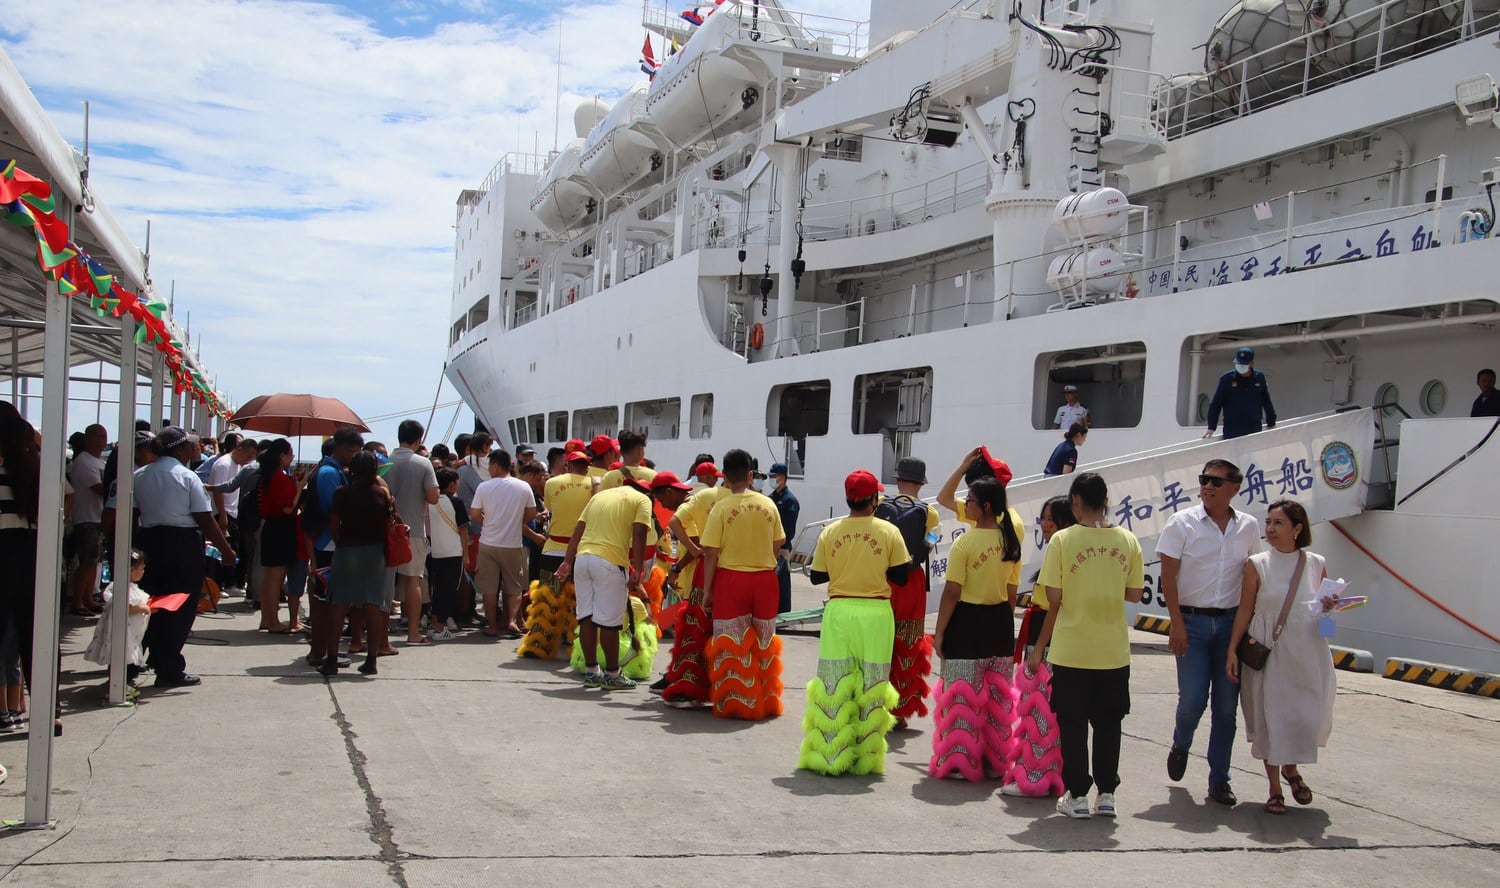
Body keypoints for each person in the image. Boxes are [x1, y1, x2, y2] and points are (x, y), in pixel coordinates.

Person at [1029, 472, 1144, 819]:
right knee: (1109, 722)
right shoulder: (1128, 540)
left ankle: (1077, 795)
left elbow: (1054, 596)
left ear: (1076, 501)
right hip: (1113, 650)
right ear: (1105, 500)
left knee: (1073, 724)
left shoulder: (1063, 540)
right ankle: (1106, 794)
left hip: (1072, 649)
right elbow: (1134, 594)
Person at [1158, 459, 1263, 806]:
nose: (1207, 486)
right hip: (1192, 624)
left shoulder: (1248, 527)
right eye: (1204, 479)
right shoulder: (1181, 523)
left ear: (1235, 488)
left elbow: (1254, 575)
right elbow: (1168, 575)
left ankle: (1219, 779)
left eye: (1216, 481)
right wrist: (1176, 622)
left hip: (1231, 626)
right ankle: (1181, 743)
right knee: (1192, 701)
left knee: (1226, 709)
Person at [1227, 499, 1337, 815]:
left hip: (1307, 652)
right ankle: (1275, 788)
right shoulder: (1257, 564)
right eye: (1268, 522)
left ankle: (1291, 769)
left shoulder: (1315, 563)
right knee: (1270, 716)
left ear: (1297, 528)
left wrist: (1330, 615)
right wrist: (1232, 650)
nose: (1271, 529)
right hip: (1269, 652)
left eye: (1279, 523)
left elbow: (1327, 620)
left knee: (1302, 716)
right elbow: (1245, 610)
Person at [798, 470, 911, 776]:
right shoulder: (889, 531)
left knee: (834, 680)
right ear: (874, 498)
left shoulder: (831, 532)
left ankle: (830, 754)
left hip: (840, 609)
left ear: (848, 498)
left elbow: (818, 575)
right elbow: (902, 576)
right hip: (875, 612)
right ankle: (865, 757)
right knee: (872, 681)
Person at [929, 476, 1022, 781]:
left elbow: (953, 591)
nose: (965, 504)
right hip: (1000, 622)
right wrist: (1002, 621)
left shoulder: (966, 542)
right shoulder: (1010, 542)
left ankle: (960, 761)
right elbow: (1011, 592)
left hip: (967, 622)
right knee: (997, 695)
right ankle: (995, 761)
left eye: (969, 500)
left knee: (962, 693)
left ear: (985, 506)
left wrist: (940, 632)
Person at [134, 428, 235, 688]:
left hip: (148, 542)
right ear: (180, 449)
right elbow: (204, 519)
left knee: (145, 604)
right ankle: (167, 666)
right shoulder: (187, 477)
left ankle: (131, 662)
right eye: (191, 445)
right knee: (178, 607)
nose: (194, 448)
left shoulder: (140, 475)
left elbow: (132, 513)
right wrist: (226, 551)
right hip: (181, 545)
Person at [699, 449, 785, 720]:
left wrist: (708, 591)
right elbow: (778, 543)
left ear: (724, 477)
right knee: (764, 640)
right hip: (765, 579)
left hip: (731, 579)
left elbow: (710, 552)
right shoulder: (768, 504)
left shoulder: (722, 507)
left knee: (731, 642)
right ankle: (766, 700)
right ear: (750, 475)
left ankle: (735, 702)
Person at [554, 463, 653, 690]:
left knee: (586, 618)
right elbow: (639, 533)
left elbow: (578, 530)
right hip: (609, 562)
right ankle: (613, 674)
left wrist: (567, 561)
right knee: (610, 623)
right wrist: (637, 569)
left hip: (583, 560)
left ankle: (592, 672)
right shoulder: (643, 500)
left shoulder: (600, 497)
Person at [873, 456, 939, 729]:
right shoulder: (930, 513)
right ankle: (899, 710)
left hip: (883, 578)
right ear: (921, 484)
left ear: (898, 480)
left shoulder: (880, 504)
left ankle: (873, 704)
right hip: (912, 581)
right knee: (907, 642)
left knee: (878, 641)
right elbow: (929, 545)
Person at [657, 463, 729, 706]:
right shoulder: (744, 500)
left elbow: (676, 524)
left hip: (699, 572)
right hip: (731, 570)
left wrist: (691, 554)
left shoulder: (699, 498)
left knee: (695, 626)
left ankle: (687, 681)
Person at [320, 452, 391, 676]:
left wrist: (341, 543)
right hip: (375, 552)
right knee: (372, 605)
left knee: (339, 604)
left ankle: (332, 660)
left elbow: (334, 525)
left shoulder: (342, 493)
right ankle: (371, 660)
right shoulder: (381, 493)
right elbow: (388, 524)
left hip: (347, 550)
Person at [304, 429, 363, 668]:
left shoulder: (333, 471)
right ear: (344, 449)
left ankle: (321, 651)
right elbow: (335, 510)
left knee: (326, 602)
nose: (355, 457)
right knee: (326, 603)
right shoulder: (329, 473)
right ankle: (321, 652)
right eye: (355, 452)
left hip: (329, 543)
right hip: (328, 545)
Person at [469, 449, 536, 638]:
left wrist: (487, 522)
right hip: (512, 544)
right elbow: (532, 512)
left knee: (489, 588)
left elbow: (474, 514)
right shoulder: (523, 486)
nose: (489, 469)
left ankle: (491, 626)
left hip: (488, 543)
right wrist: (517, 523)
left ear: (496, 466)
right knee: (514, 586)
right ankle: (512, 621)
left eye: (490, 465)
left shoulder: (484, 487)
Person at [0, 402, 40, 712]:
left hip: (4, 552)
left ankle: (5, 709)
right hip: (32, 553)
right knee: (34, 638)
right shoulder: (37, 472)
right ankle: (47, 710)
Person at [386, 420, 441, 646]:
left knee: (384, 583)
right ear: (419, 439)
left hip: (385, 529)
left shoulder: (384, 461)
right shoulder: (423, 463)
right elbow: (433, 497)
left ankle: (379, 635)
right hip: (413, 530)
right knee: (413, 580)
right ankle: (413, 634)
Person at [84, 548, 152, 679]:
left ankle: (123, 679)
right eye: (141, 569)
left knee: (127, 658)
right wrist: (142, 608)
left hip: (131, 634)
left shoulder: (131, 587)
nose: (143, 572)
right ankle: (119, 683)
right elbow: (124, 608)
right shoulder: (122, 588)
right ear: (131, 570)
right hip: (122, 633)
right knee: (122, 659)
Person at [255, 439, 300, 632]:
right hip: (281, 528)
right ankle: (273, 621)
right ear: (282, 456)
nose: (292, 458)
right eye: (290, 454)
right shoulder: (280, 478)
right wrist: (299, 487)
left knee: (269, 577)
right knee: (276, 577)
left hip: (271, 527)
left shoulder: (268, 476)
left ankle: (266, 618)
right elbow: (288, 508)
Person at [67, 423, 108, 615]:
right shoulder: (83, 462)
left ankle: (88, 598)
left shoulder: (99, 462)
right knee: (86, 562)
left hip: (98, 517)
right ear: (87, 438)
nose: (100, 440)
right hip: (86, 518)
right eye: (96, 436)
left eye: (103, 436)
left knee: (94, 562)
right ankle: (77, 602)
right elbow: (100, 489)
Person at [426, 468, 469, 640]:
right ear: (452, 484)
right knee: (449, 590)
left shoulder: (431, 501)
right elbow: (463, 529)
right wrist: (466, 554)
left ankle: (434, 623)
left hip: (436, 552)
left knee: (438, 589)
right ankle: (440, 626)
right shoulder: (456, 502)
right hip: (453, 551)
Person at [1205, 346, 1276, 439]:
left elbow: (1266, 400)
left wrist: (1271, 422)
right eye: (1238, 363)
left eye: (1244, 364)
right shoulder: (1227, 379)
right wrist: (1211, 427)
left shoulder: (1259, 377)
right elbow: (1216, 404)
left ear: (1252, 363)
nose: (1240, 366)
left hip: (1254, 427)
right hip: (1232, 428)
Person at [767, 462, 799, 615]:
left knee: (782, 582)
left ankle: (784, 613)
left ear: (782, 477)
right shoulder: (770, 498)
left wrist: (780, 546)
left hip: (782, 548)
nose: (771, 479)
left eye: (774, 476)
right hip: (769, 547)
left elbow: (789, 529)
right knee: (770, 582)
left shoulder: (789, 500)